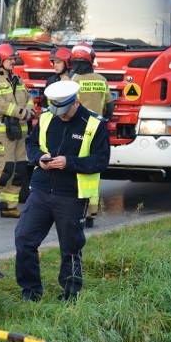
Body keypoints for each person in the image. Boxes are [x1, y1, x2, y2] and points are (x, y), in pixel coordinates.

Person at [14, 80, 110, 302]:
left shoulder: (95, 124)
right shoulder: (48, 116)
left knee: (70, 247)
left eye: (65, 111)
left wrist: (69, 163)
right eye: (57, 111)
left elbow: (101, 160)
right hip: (41, 188)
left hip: (72, 194)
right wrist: (40, 158)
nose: (61, 116)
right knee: (24, 238)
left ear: (76, 102)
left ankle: (70, 294)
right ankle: (30, 291)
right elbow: (31, 144)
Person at [0, 44, 33, 219]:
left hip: (21, 132)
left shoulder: (17, 78)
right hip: (3, 132)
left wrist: (30, 111)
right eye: (10, 59)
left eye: (13, 59)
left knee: (20, 170)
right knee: (5, 169)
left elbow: (29, 97)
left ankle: (9, 206)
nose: (13, 62)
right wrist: (22, 113)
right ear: (0, 60)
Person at [68, 43, 114, 227]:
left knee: (75, 168)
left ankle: (76, 210)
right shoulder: (101, 79)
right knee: (93, 169)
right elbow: (110, 106)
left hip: (77, 129)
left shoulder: (73, 80)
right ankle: (91, 213)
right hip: (98, 129)